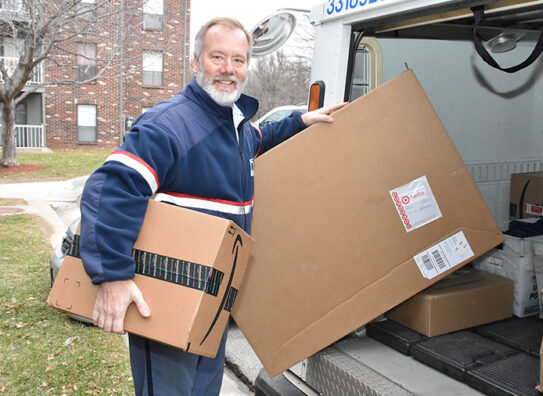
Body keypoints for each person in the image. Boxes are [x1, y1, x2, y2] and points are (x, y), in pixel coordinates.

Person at [79, 17, 345, 396]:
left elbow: (261, 137)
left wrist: (301, 121)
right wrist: (113, 276)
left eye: (238, 60)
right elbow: (109, 190)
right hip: (169, 297)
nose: (228, 69)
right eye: (217, 57)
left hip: (214, 298)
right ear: (195, 61)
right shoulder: (169, 125)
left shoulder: (234, 125)